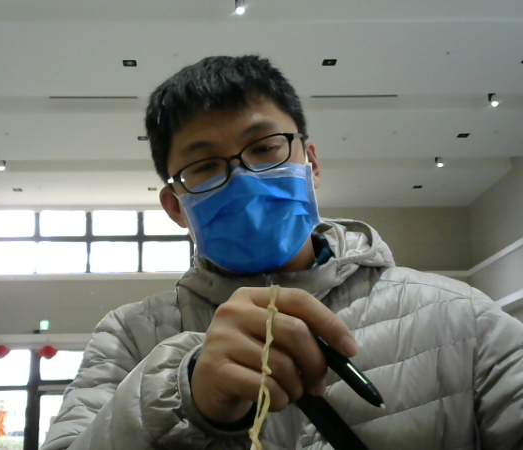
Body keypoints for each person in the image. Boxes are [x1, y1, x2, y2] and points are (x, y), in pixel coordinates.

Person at [42, 55, 523, 450]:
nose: (243, 179)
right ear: (175, 206)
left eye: (265, 147)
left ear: (310, 163)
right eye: (205, 166)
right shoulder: (129, 338)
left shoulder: (460, 317)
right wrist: (181, 394)